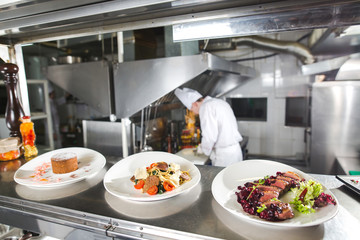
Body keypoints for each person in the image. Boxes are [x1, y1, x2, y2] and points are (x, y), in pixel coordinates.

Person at [175, 87, 243, 167]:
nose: (193, 113)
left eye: (191, 109)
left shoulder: (206, 107)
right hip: (235, 151)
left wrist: (202, 150)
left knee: (221, 179)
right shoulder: (219, 102)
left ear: (195, 104)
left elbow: (209, 136)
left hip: (224, 156)